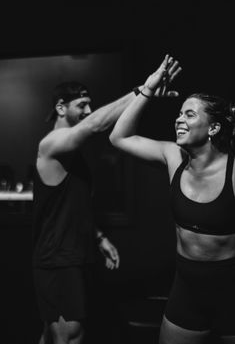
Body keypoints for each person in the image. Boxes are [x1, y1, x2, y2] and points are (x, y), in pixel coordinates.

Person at [110, 54, 235, 344]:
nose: (179, 119)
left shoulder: (232, 172)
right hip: (187, 289)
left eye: (189, 114)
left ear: (213, 127)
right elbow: (119, 138)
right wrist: (148, 89)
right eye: (179, 113)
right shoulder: (172, 157)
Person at [32, 80, 144, 344]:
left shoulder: (72, 153)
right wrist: (143, 91)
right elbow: (96, 125)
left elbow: (72, 205)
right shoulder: (51, 144)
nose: (89, 109)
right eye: (82, 104)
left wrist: (99, 237)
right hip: (58, 259)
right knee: (68, 337)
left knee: (54, 335)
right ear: (61, 108)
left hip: (71, 255)